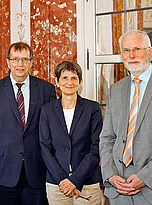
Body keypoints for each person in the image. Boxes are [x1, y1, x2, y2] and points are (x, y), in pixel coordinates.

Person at [99, 30, 152, 204]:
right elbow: (107, 138)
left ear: (150, 52)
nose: (132, 55)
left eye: (137, 49)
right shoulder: (116, 89)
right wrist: (110, 174)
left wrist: (145, 176)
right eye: (126, 50)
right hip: (119, 189)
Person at [0, 42, 56, 204]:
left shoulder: (46, 90)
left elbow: (52, 135)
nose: (20, 64)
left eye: (24, 59)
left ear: (31, 62)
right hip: (4, 172)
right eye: (15, 59)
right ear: (8, 62)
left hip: (37, 171)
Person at [39, 61, 103, 204]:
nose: (69, 82)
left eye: (74, 78)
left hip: (87, 182)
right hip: (57, 184)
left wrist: (74, 180)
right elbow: (44, 147)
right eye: (64, 78)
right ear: (57, 81)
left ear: (80, 82)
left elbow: (96, 147)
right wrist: (63, 180)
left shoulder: (92, 108)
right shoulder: (47, 110)